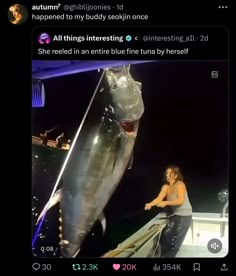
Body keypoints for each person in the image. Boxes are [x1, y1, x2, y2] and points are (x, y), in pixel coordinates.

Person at [144, 165, 192, 257]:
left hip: (185, 217)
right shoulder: (165, 187)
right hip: (175, 215)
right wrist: (150, 204)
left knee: (174, 245)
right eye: (166, 173)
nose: (167, 175)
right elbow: (158, 199)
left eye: (170, 173)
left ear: (176, 175)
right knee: (165, 236)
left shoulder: (180, 185)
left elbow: (180, 201)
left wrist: (165, 202)